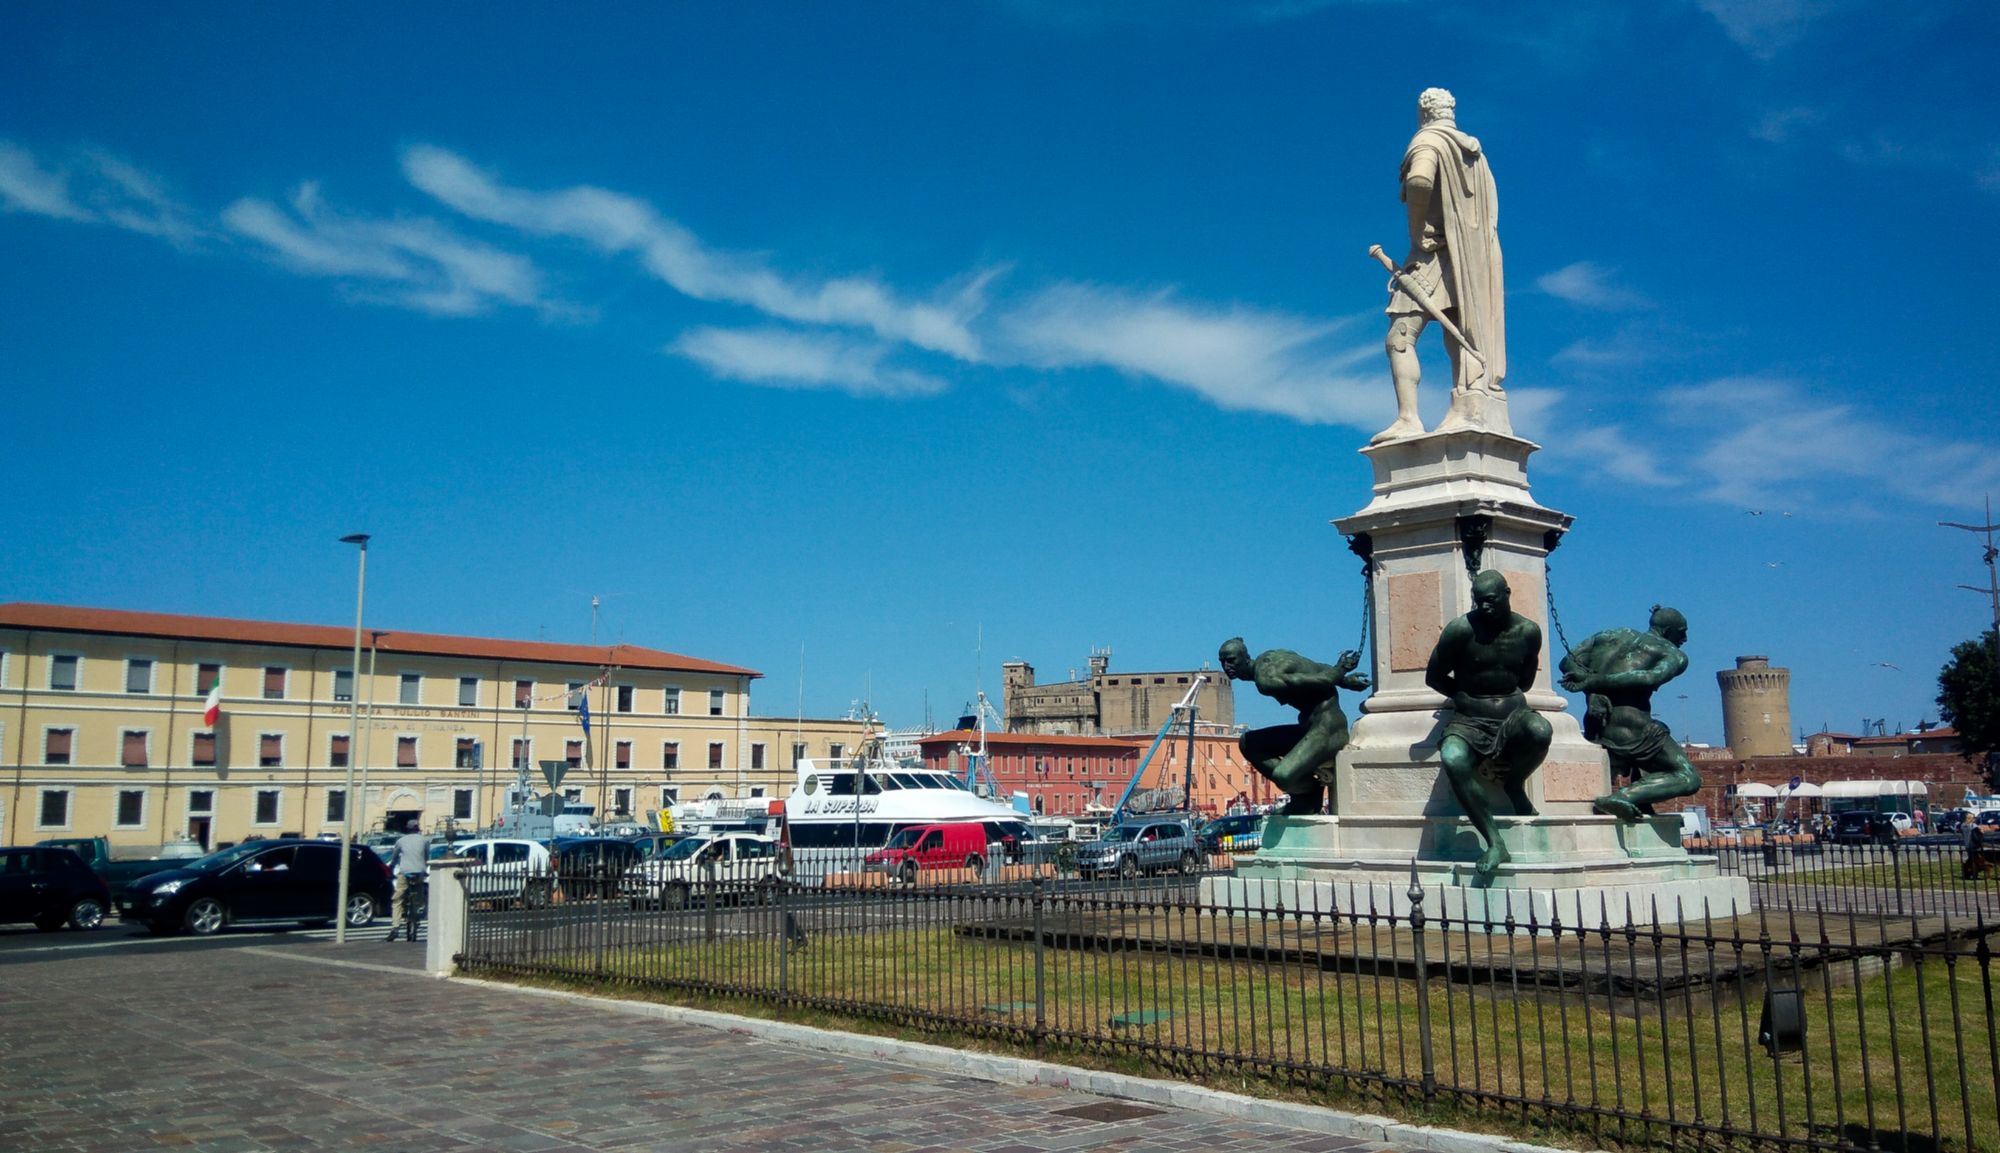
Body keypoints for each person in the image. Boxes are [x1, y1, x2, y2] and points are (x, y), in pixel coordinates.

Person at [1374, 87, 1507, 445]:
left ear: (1422, 113)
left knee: (1400, 337)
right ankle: (1469, 400)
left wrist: (1418, 233)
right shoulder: (1474, 155)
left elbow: (1419, 179)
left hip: (1433, 255)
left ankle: (1408, 419)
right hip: (1474, 258)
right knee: (1461, 333)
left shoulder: (1428, 141)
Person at [1424, 570, 1553, 875]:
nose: (1484, 607)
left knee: (1541, 730)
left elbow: (1526, 679)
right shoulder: (1460, 630)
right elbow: (1434, 676)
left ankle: (1514, 784)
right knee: (1453, 759)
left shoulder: (1528, 631)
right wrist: (1466, 697)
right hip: (1469, 718)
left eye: (1491, 600)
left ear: (1507, 594)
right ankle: (1496, 842)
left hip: (1512, 714)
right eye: (1478, 601)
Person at [1557, 605, 1703, 822]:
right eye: (1682, 632)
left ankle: (1641, 802)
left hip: (1596, 722)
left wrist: (1593, 690)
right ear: (1668, 630)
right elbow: (1649, 678)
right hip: (1633, 726)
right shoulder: (1674, 654)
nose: (1685, 638)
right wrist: (1596, 683)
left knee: (1659, 735)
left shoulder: (1612, 635)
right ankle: (1623, 797)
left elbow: (1568, 662)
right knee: (1689, 778)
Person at [1218, 638, 1371, 816]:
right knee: (1248, 742)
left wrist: (1341, 669)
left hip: (1329, 729)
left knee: (1283, 776)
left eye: (1231, 660)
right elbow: (1314, 668)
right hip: (1309, 728)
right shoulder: (1270, 657)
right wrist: (1343, 680)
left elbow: (1324, 678)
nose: (1226, 666)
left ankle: (1308, 793)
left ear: (1245, 657)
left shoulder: (1266, 680)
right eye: (1223, 661)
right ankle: (1302, 794)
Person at [386, 819, 428, 942]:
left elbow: (394, 857)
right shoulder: (425, 840)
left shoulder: (401, 841)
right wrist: (424, 869)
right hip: (419, 872)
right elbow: (426, 857)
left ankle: (395, 927)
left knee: (397, 899)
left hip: (405, 872)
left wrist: (392, 867)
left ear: (407, 828)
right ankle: (418, 914)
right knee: (419, 896)